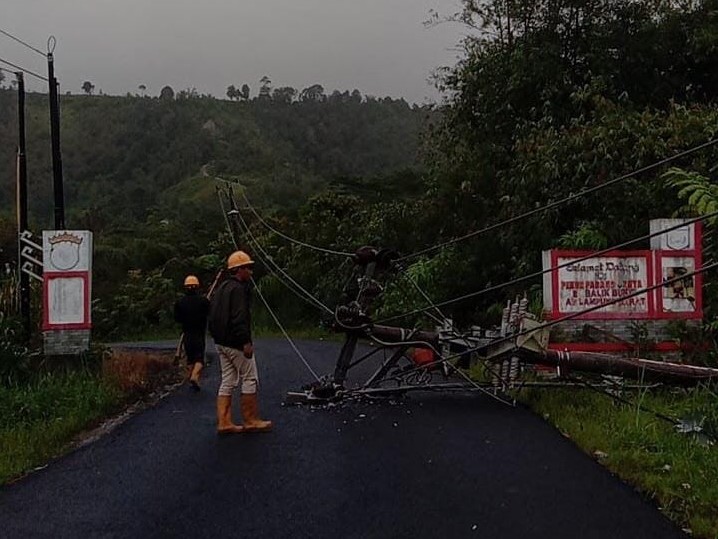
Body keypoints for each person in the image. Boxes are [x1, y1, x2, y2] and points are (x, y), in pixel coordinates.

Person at [209, 250, 272, 435]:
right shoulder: (238, 289)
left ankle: (224, 422)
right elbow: (239, 318)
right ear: (239, 269)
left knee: (227, 380)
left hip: (220, 342)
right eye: (248, 268)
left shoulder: (221, 288)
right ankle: (251, 420)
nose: (251, 272)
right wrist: (245, 342)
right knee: (250, 377)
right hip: (235, 342)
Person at [174, 275, 210, 391]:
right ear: (197, 287)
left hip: (187, 333)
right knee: (199, 358)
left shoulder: (180, 302)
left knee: (190, 358)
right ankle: (194, 376)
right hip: (199, 333)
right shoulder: (203, 301)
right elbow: (209, 312)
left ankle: (193, 378)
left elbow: (177, 318)